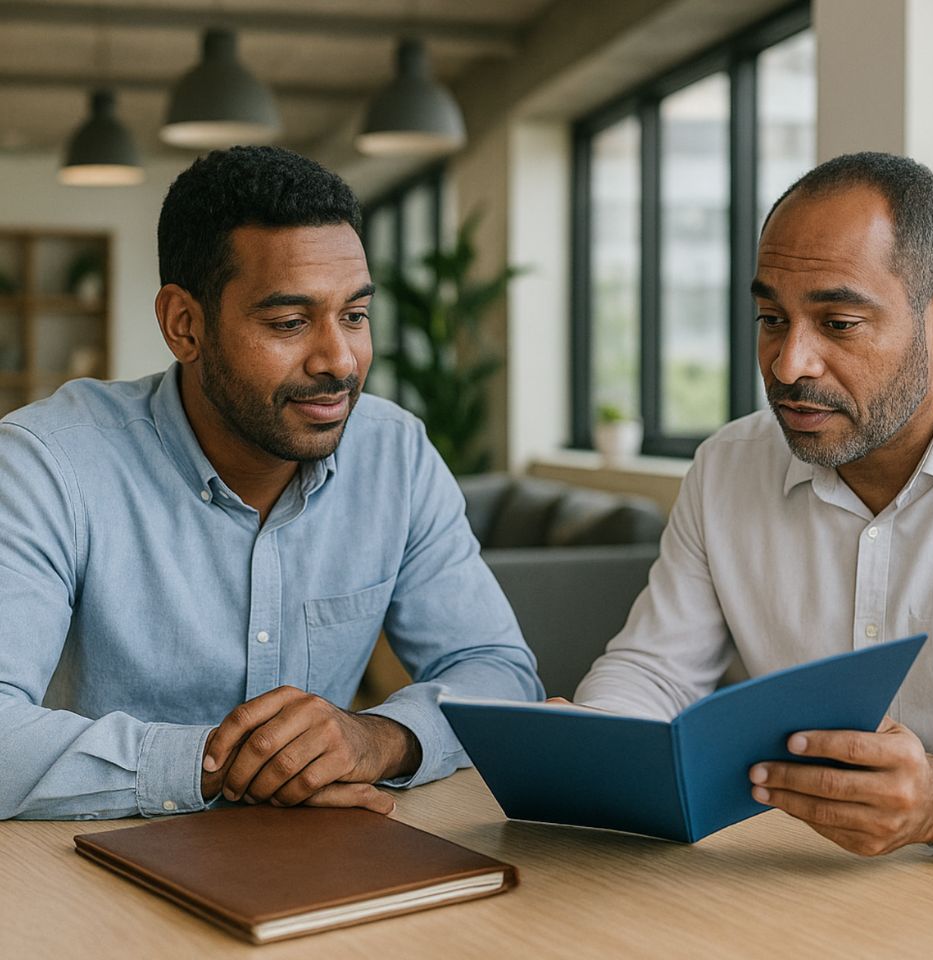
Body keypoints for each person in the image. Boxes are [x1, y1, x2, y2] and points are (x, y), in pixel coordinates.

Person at [0, 145, 542, 821]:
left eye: (355, 316)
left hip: (320, 858)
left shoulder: (395, 455)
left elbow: (501, 673)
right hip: (86, 863)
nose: (340, 360)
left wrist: (378, 739)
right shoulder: (48, 464)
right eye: (289, 323)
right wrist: (229, 766)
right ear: (184, 325)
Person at [575, 151, 933, 858]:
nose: (789, 366)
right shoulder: (728, 465)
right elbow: (655, 669)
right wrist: (597, 743)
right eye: (771, 318)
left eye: (838, 323)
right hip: (779, 877)